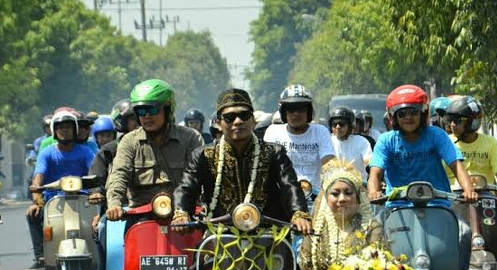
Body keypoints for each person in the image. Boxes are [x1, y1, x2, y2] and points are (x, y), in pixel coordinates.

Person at [367, 84, 478, 270]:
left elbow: (456, 165)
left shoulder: (436, 135)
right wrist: (373, 192)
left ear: (424, 114)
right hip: (396, 207)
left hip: (438, 204)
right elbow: (375, 173)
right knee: (373, 236)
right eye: (402, 114)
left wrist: (469, 190)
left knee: (464, 233)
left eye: (413, 113)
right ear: (393, 118)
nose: (408, 118)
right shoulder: (386, 141)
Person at [172, 87, 312, 231]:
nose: (238, 121)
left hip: (269, 235)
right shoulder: (203, 154)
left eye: (244, 115)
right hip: (219, 235)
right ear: (219, 123)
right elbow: (186, 188)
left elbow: (289, 186)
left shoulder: (274, 153)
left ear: (253, 120)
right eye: (230, 117)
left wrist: (299, 213)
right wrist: (181, 213)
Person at [297, 158, 382, 270]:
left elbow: (383, 268)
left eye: (348, 193)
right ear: (326, 199)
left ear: (358, 198)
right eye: (335, 194)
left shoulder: (372, 228)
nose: (342, 199)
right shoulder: (315, 233)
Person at [105, 79, 204, 229]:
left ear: (168, 109)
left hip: (185, 218)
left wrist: (189, 209)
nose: (146, 116)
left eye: (152, 110)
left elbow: (200, 177)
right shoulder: (129, 141)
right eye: (140, 111)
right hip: (141, 220)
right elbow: (119, 174)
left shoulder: (190, 138)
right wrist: (114, 204)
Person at [24, 110, 96, 270]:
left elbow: (94, 171)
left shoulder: (85, 152)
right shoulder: (47, 153)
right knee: (32, 214)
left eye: (68, 127)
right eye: (60, 127)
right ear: (54, 131)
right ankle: (41, 257)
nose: (64, 130)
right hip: (53, 200)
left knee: (100, 226)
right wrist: (36, 200)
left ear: (75, 130)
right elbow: (38, 176)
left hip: (83, 199)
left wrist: (97, 188)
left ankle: (101, 264)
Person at [85, 100, 139, 270]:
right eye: (134, 118)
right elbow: (97, 176)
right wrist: (96, 192)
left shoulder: (163, 145)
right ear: (122, 123)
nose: (142, 120)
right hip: (118, 208)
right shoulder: (109, 150)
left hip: (157, 207)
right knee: (102, 229)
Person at [263, 84, 335, 193]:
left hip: (315, 194)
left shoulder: (320, 131)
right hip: (281, 195)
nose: (296, 114)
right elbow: (265, 166)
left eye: (301, 109)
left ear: (309, 112)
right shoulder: (273, 132)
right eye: (291, 110)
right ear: (283, 112)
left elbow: (329, 162)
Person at [444, 96, 497, 193]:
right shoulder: (445, 143)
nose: (453, 124)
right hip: (454, 198)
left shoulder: (491, 143)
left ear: (472, 121)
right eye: (451, 120)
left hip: (486, 197)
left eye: (457, 120)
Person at [328, 106, 372, 181]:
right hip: (333, 186)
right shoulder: (327, 141)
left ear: (350, 125)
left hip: (358, 186)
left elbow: (369, 162)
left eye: (341, 124)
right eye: (334, 124)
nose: (338, 127)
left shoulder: (361, 141)